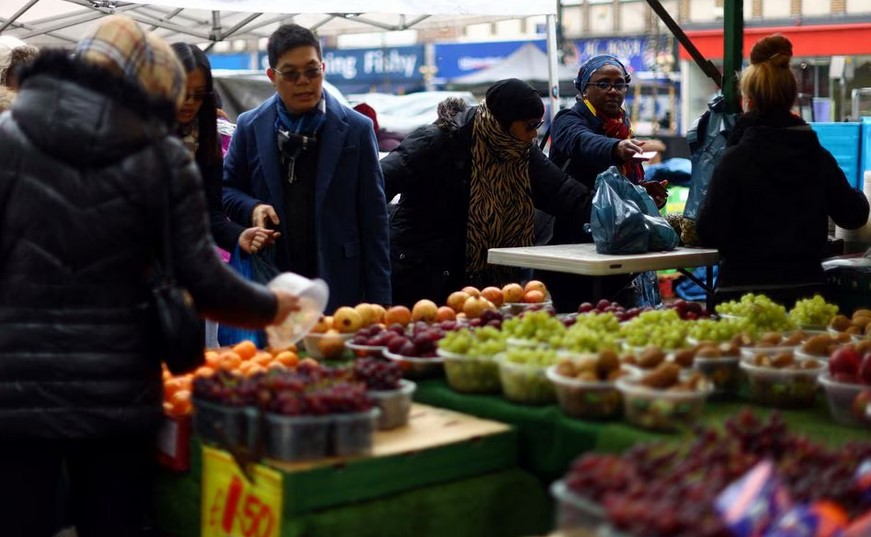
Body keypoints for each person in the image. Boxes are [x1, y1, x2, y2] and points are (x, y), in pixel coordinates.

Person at [0, 15, 299, 536]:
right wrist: (273, 306)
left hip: (15, 389)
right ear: (151, 88)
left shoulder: (6, 138)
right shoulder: (161, 159)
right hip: (119, 394)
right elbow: (204, 282)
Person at [222, 23, 391, 312]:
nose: (304, 82)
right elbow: (226, 190)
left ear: (323, 68)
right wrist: (252, 208)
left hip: (339, 287)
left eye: (312, 71)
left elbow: (375, 223)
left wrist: (381, 306)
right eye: (291, 74)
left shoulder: (356, 130)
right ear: (272, 76)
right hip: (273, 282)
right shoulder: (251, 126)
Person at [381, 78, 594, 306]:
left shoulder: (520, 153)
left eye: (538, 126)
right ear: (504, 121)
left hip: (481, 286)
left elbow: (565, 194)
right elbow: (377, 185)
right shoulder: (435, 142)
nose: (534, 135)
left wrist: (617, 215)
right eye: (530, 126)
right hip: (420, 278)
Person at [695, 34, 870, 307]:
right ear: (790, 100)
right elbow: (853, 215)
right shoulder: (817, 157)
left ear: (749, 101)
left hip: (743, 300)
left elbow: (708, 231)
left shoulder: (735, 159)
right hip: (806, 297)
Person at [542, 55, 670, 312]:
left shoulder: (621, 124)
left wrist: (641, 193)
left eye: (619, 84)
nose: (613, 90)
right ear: (584, 89)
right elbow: (581, 142)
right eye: (603, 84)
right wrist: (616, 147)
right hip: (572, 243)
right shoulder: (567, 120)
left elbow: (617, 187)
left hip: (617, 245)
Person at [170, 42, 273, 256]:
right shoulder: (134, 134)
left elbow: (211, 214)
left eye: (198, 95)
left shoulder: (207, 139)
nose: (189, 102)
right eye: (182, 91)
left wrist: (239, 235)